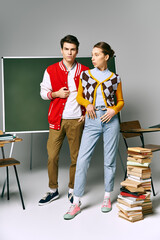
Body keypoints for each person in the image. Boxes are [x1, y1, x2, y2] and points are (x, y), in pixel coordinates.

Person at [64, 41, 124, 219]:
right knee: (82, 161)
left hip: (110, 120)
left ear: (106, 57)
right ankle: (76, 203)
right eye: (92, 54)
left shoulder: (115, 78)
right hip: (91, 120)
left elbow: (121, 101)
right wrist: (88, 104)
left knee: (109, 161)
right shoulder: (86, 75)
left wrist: (114, 110)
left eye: (97, 55)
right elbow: (80, 97)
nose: (93, 58)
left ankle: (107, 197)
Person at [39, 35, 89, 206]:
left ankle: (72, 189)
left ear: (77, 51)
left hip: (77, 120)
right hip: (56, 121)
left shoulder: (84, 70)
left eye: (73, 49)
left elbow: (92, 95)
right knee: (52, 156)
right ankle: (53, 190)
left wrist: (86, 113)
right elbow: (43, 93)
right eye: (66, 49)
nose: (69, 52)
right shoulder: (51, 70)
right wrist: (56, 94)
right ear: (61, 50)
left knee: (76, 158)